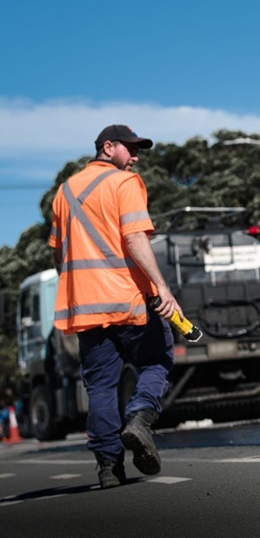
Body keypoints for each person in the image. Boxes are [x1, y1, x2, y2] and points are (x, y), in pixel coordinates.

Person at [49, 124, 183, 489]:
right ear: (108, 147)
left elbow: (59, 255)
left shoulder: (64, 193)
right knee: (157, 360)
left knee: (101, 389)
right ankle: (139, 418)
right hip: (128, 301)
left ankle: (109, 468)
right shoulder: (125, 183)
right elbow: (135, 237)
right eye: (130, 148)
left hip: (85, 309)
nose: (136, 156)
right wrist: (161, 286)